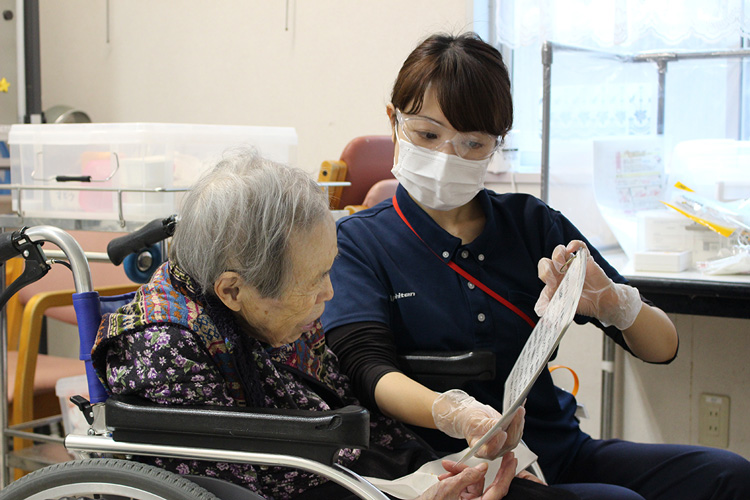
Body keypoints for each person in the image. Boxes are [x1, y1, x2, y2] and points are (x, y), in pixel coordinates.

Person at [320, 32, 750, 500]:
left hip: (557, 448)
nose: (447, 156)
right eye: (427, 134)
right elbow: (369, 369)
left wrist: (615, 305)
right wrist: (456, 414)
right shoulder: (360, 241)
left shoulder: (533, 224)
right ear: (394, 121)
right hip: (451, 466)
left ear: (496, 144)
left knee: (729, 476)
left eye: (472, 143)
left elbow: (662, 347)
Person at [91, 149, 578, 500]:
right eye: (313, 281)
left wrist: (458, 448)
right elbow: (229, 489)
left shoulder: (272, 309)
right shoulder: (161, 350)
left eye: (329, 269)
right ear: (232, 290)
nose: (329, 294)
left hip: (371, 472)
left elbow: (346, 397)